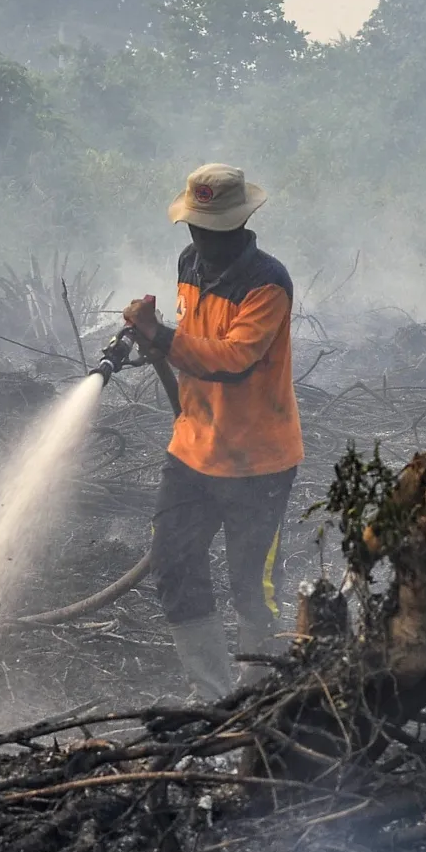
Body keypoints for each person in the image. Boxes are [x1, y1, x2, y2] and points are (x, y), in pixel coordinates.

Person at [123, 163, 303, 699]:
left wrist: (165, 337)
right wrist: (155, 338)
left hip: (258, 462)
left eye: (210, 230)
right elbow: (193, 343)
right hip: (193, 449)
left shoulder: (268, 283)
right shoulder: (189, 264)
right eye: (195, 228)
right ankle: (215, 698)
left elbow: (235, 359)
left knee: (253, 588)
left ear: (237, 227)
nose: (200, 239)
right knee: (174, 565)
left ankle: (257, 698)